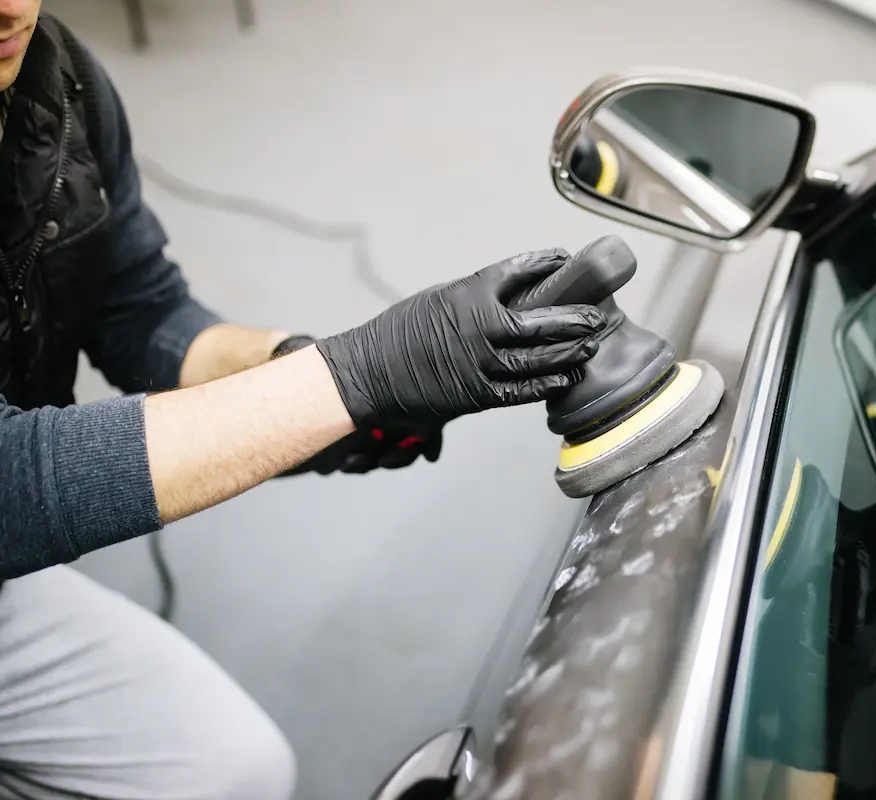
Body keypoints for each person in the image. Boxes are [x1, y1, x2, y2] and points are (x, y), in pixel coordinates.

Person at [0, 5, 607, 798]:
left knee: (232, 773)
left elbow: (138, 311)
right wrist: (355, 376)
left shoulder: (56, 80)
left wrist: (295, 374)